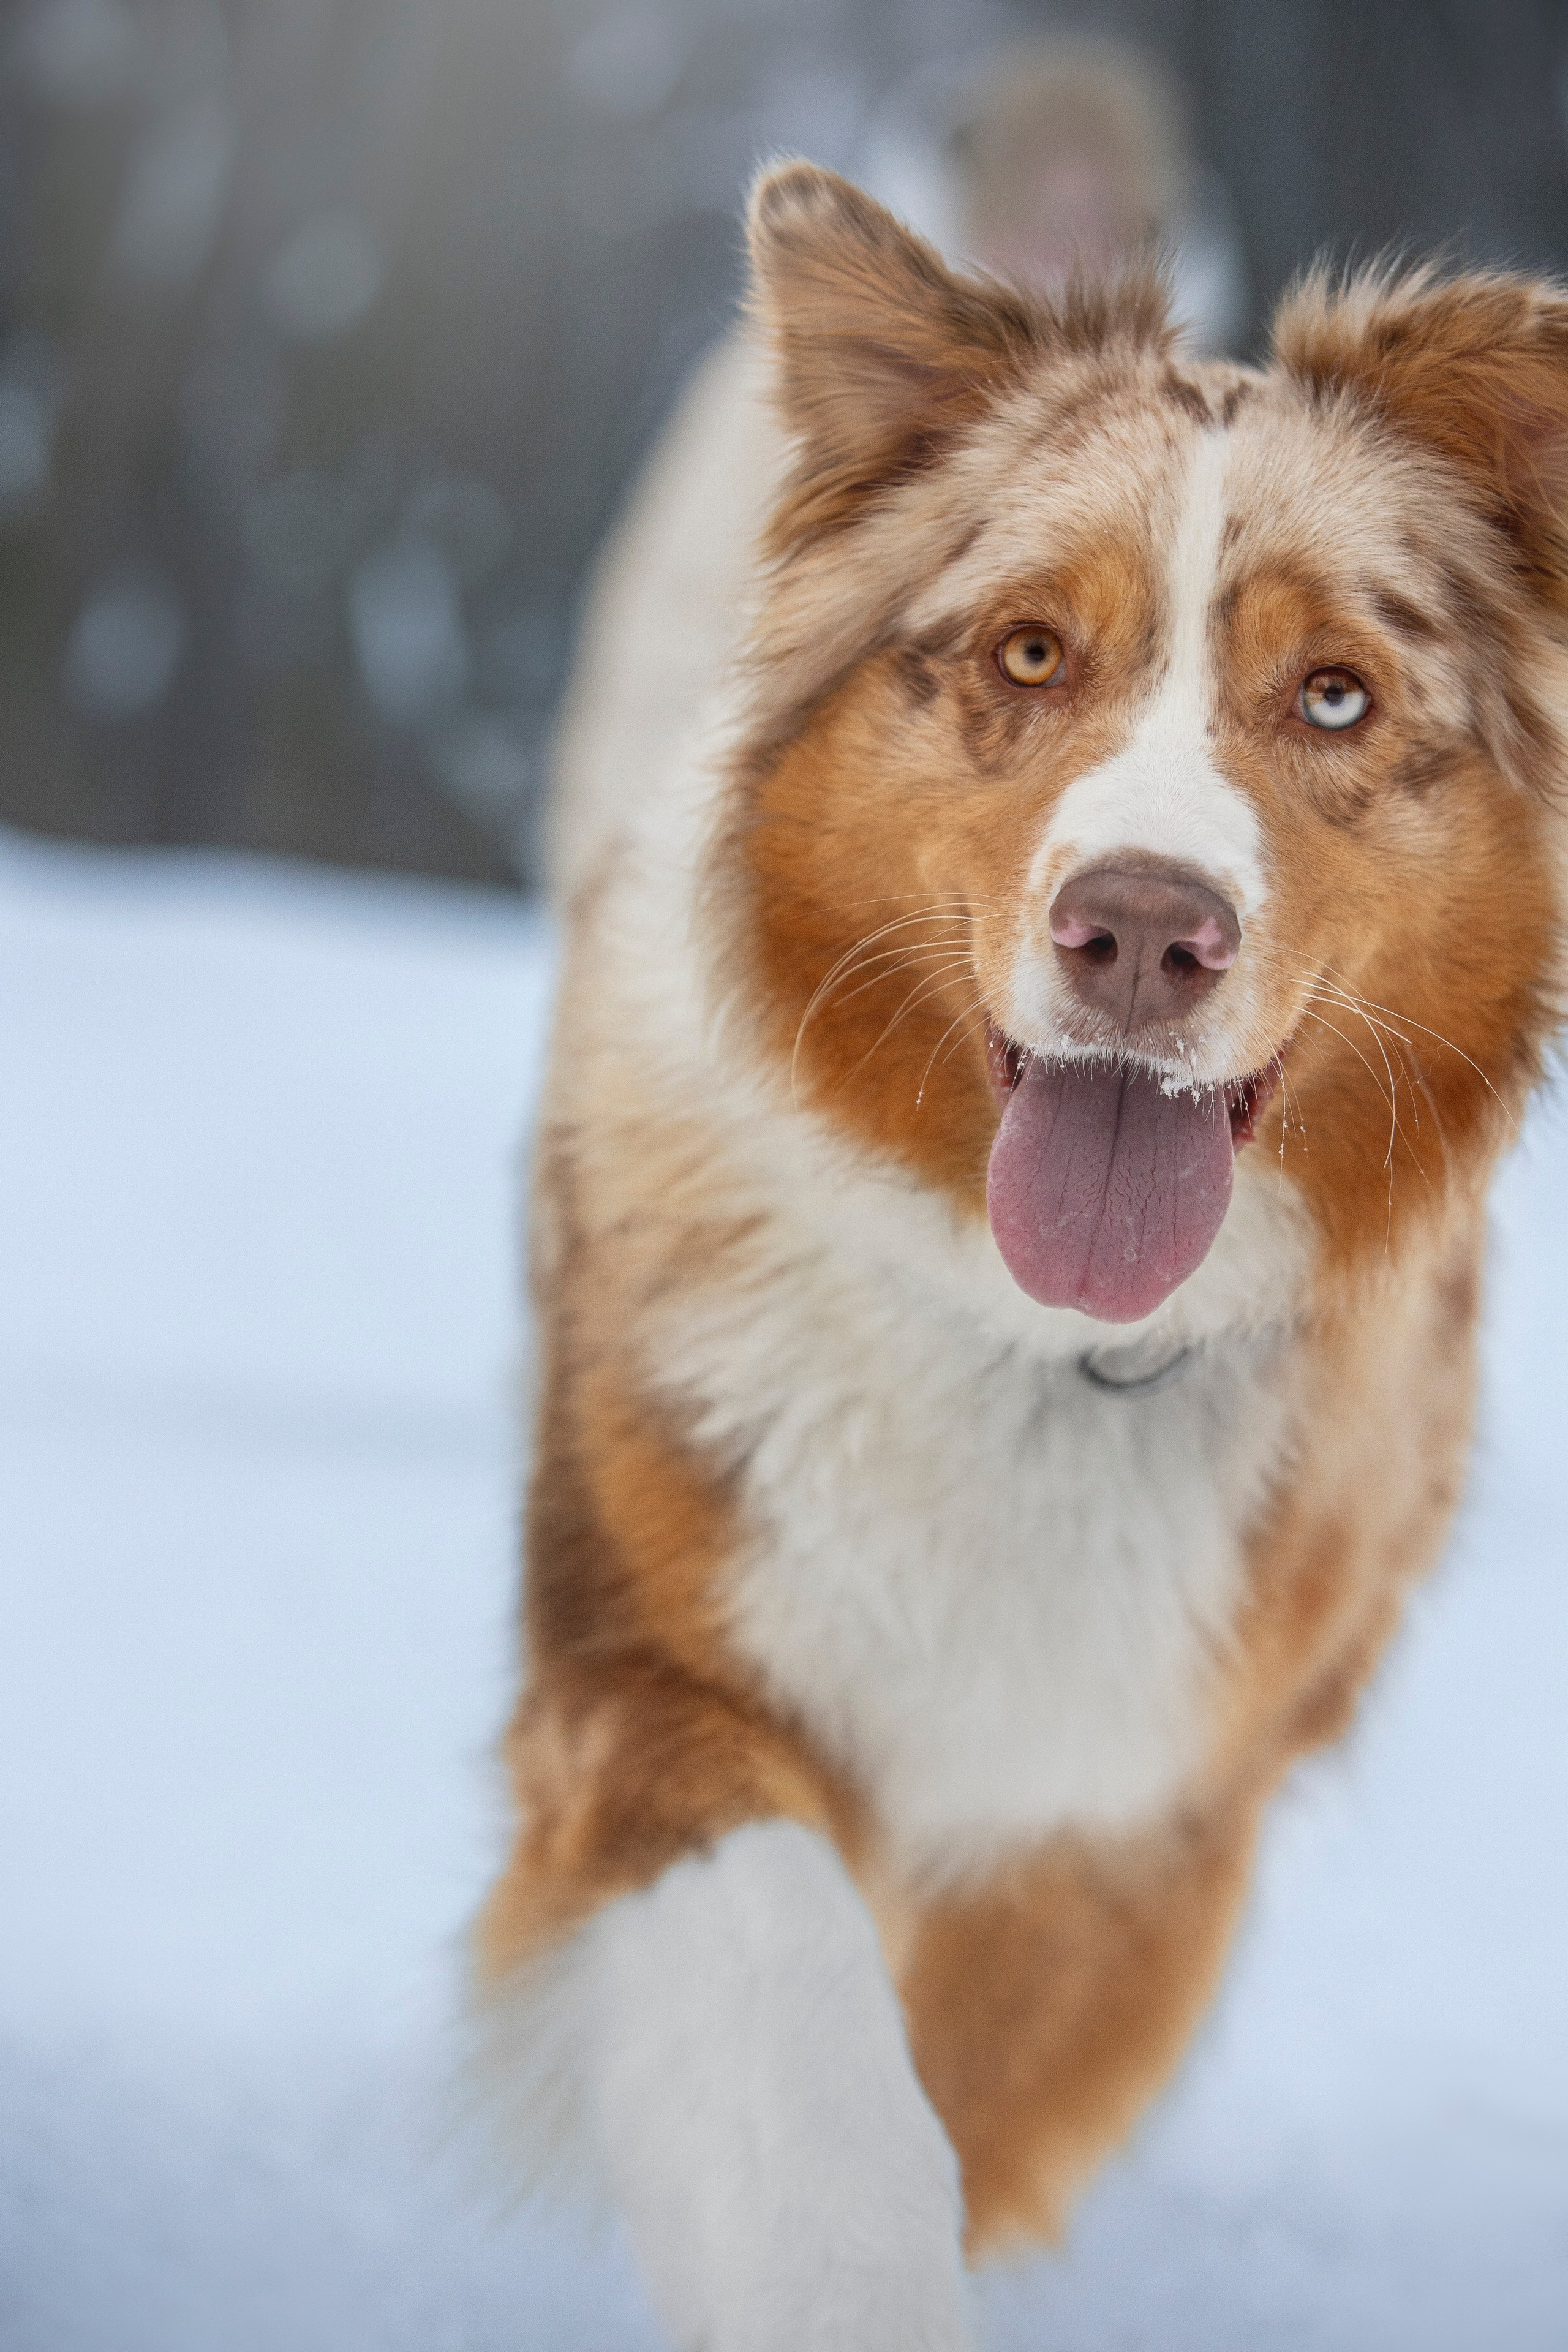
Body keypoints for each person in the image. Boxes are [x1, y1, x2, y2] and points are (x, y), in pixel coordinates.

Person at [546, 36, 1246, 897]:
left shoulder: (1208, 442)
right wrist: (630, 876)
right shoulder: (815, 385)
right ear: (975, 209)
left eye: (1102, 223)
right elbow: (675, 630)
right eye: (1041, 212)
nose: (1072, 256)